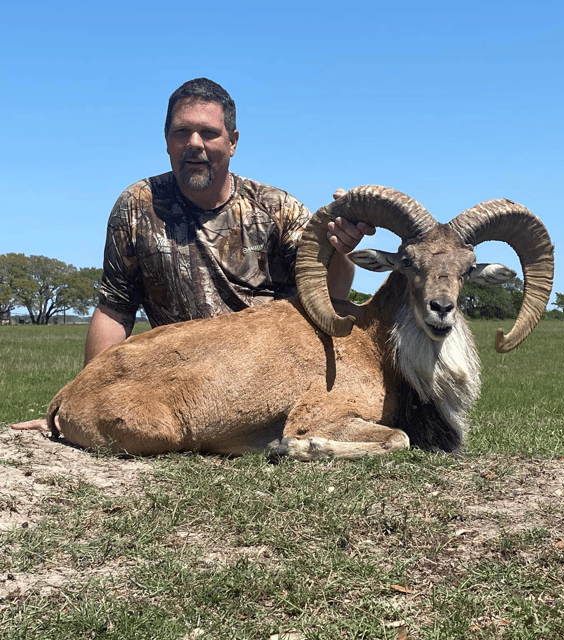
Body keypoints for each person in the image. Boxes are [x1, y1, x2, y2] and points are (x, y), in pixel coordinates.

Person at [13, 77, 373, 432]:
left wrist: (340, 249)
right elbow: (114, 309)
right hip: (183, 381)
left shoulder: (277, 209)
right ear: (167, 140)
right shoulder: (137, 206)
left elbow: (330, 298)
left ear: (232, 143)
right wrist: (84, 402)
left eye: (209, 133)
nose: (194, 144)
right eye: (181, 132)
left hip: (267, 377)